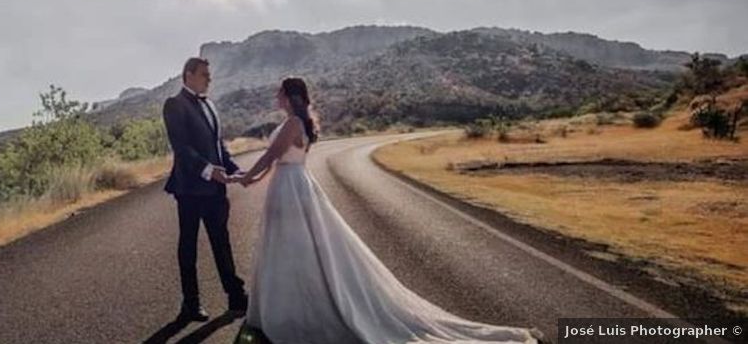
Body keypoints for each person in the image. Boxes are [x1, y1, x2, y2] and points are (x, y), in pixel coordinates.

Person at [236, 76, 544, 344]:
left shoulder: (292, 123)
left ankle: (297, 313)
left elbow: (270, 157)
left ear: (290, 96)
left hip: (291, 188)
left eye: (279, 93)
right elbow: (272, 162)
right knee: (294, 249)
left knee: (295, 249)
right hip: (291, 183)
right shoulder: (295, 122)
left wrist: (246, 177)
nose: (276, 97)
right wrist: (246, 178)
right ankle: (290, 308)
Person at [162, 57, 248, 322]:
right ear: (188, 75)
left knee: (221, 241)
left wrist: (234, 170)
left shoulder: (210, 104)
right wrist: (211, 171)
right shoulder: (174, 105)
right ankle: (191, 304)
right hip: (189, 189)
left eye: (209, 75)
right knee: (188, 246)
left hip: (215, 191)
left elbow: (218, 146)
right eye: (204, 75)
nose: (209, 79)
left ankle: (236, 296)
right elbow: (182, 148)